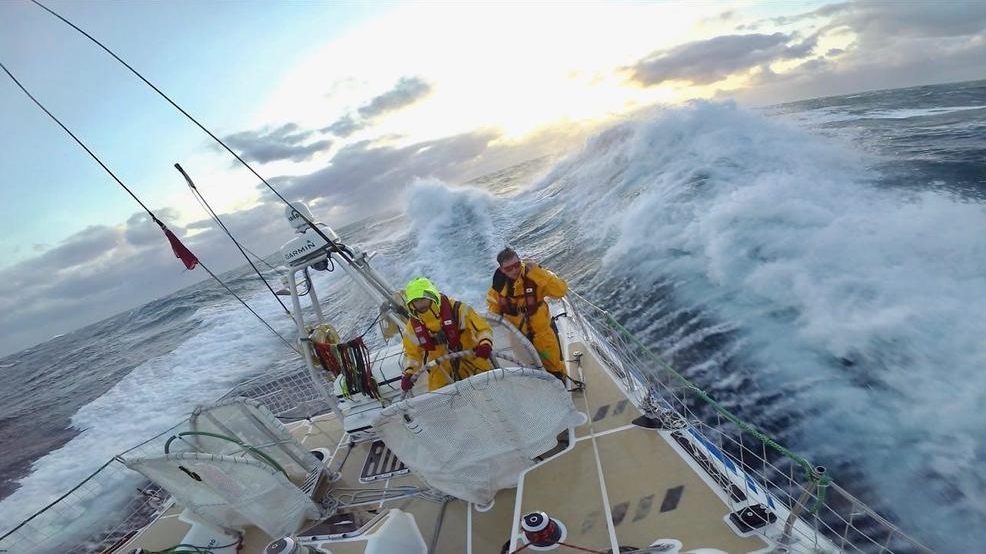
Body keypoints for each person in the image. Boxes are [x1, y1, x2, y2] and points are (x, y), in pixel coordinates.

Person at [486, 247, 568, 381]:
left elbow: (561, 291)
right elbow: (494, 310)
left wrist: (538, 272)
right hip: (518, 338)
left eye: (516, 265)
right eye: (508, 268)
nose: (514, 270)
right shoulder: (498, 286)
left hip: (542, 336)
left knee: (555, 369)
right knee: (530, 372)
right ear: (502, 269)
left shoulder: (536, 276)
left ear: (520, 261)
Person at [401, 277, 495, 392]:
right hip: (440, 371)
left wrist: (485, 344)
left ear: (432, 295)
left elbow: (482, 329)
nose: (420, 304)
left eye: (422, 298)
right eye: (415, 301)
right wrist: (409, 373)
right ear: (411, 304)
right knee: (441, 401)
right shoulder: (412, 327)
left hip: (472, 360)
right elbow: (412, 354)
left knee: (489, 390)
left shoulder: (458, 309)